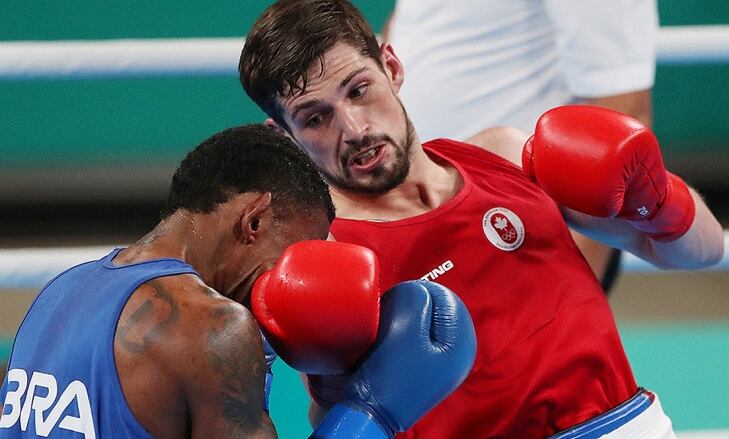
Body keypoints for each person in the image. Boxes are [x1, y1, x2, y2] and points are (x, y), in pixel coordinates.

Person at [238, 1, 725, 437]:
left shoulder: (507, 156)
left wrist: (659, 199)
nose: (355, 128)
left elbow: (701, 251)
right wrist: (348, 393)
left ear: (392, 66)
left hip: (626, 425)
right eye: (315, 118)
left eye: (359, 90)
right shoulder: (325, 256)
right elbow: (333, 422)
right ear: (284, 135)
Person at [0, 124, 477, 438]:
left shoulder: (59, 292)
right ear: (255, 219)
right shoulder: (212, 326)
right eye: (295, 253)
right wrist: (372, 410)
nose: (293, 280)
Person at [384, 0, 659, 291]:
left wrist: (574, 292)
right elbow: (411, 23)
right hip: (417, 216)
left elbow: (621, 111)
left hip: (517, 230)